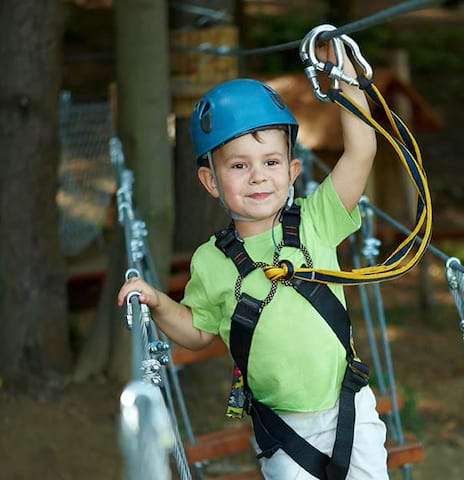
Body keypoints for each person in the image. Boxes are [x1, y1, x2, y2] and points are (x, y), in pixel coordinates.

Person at [117, 45, 387, 479]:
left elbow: (360, 154)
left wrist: (349, 84)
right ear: (210, 181)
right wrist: (158, 303)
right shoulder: (211, 261)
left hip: (350, 405)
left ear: (294, 171)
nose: (258, 175)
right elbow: (199, 331)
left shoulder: (317, 219)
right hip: (283, 429)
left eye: (271, 162)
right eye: (239, 165)